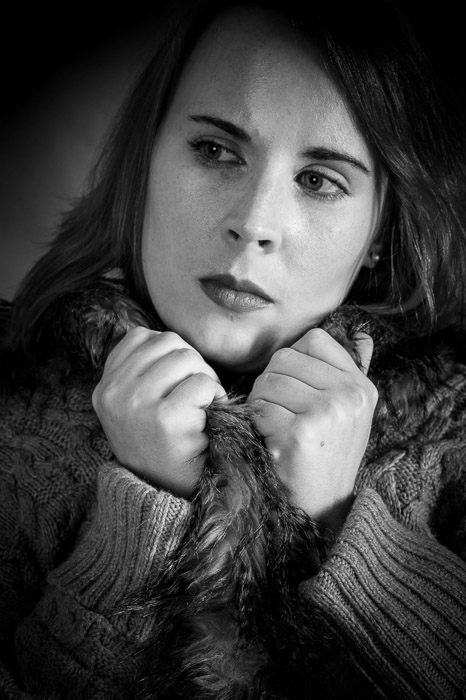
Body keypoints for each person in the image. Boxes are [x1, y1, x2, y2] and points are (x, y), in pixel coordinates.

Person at [1, 0, 466, 697]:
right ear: (145, 163)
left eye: (319, 180)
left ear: (378, 231)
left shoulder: (454, 445)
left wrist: (346, 531)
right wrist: (139, 523)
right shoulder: (12, 412)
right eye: (216, 150)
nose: (253, 223)